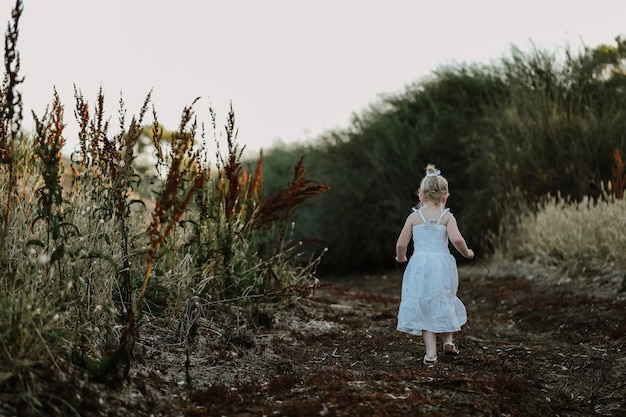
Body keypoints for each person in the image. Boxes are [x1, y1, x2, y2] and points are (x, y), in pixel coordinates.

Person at [394, 164, 474, 366]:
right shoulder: (447, 217)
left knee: (424, 306)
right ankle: (448, 342)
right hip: (442, 265)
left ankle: (431, 354)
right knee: (444, 300)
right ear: (445, 196)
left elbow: (401, 243)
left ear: (420, 196)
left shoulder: (413, 217)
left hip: (419, 265)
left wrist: (401, 258)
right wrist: (467, 253)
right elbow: (457, 240)